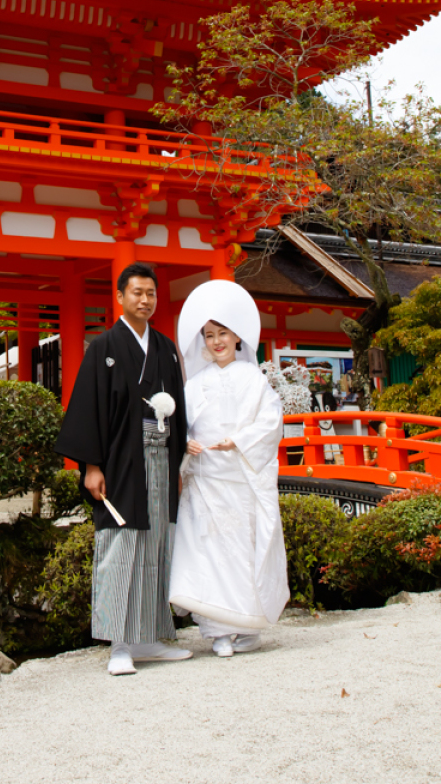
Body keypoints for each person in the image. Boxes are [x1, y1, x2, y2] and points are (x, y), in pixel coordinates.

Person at [55, 262, 190, 676]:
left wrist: (178, 464)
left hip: (161, 458)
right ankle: (119, 644)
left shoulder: (166, 348)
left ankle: (150, 637)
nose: (145, 300)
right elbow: (89, 408)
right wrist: (91, 466)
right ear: (119, 297)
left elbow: (180, 410)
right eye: (137, 293)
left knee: (157, 544)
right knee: (121, 544)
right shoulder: (104, 347)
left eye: (151, 293)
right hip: (120, 460)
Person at [169, 279, 289, 657]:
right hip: (205, 479)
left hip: (239, 480)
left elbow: (271, 422)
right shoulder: (195, 384)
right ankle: (217, 631)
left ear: (237, 336)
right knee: (206, 552)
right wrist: (184, 442)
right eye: (209, 335)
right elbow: (181, 424)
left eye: (222, 333)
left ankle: (246, 625)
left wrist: (237, 440)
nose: (216, 341)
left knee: (240, 553)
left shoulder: (253, 378)